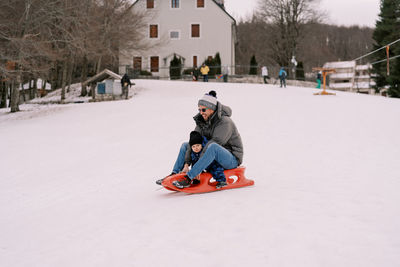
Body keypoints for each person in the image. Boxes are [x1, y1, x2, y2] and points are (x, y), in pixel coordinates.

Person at [156, 90, 243, 189]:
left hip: (231, 159)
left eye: (203, 110)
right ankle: (174, 174)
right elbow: (194, 140)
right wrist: (187, 164)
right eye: (199, 110)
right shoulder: (202, 120)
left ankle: (188, 178)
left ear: (212, 109)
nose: (201, 113)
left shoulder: (225, 122)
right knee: (186, 145)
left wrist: (196, 168)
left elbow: (215, 144)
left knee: (213, 146)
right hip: (212, 157)